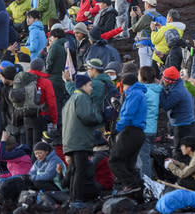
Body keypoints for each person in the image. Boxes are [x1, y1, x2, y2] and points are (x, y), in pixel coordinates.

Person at [62, 73, 103, 206]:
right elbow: (88, 117)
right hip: (80, 141)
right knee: (81, 171)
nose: (91, 88)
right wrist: (98, 115)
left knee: (74, 170)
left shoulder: (70, 100)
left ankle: (73, 198)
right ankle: (77, 200)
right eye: (90, 85)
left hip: (70, 141)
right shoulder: (82, 97)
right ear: (83, 85)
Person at [110, 73, 147, 195]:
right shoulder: (139, 93)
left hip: (130, 131)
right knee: (129, 163)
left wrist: (117, 128)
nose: (123, 88)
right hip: (138, 132)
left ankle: (130, 185)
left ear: (127, 85)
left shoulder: (133, 94)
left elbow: (127, 115)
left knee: (114, 160)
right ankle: (137, 188)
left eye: (123, 86)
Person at [160, 66, 195, 158]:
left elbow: (166, 105)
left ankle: (180, 168)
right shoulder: (179, 86)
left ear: (169, 81)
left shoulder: (177, 92)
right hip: (187, 122)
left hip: (182, 124)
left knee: (179, 150)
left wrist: (160, 90)